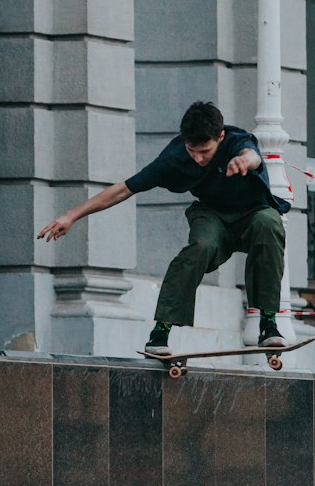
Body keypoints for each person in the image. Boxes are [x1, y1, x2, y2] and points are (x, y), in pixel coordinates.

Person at [37, 100, 289, 355]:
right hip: (212, 214)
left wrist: (245, 162)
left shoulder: (236, 140)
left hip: (253, 213)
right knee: (201, 246)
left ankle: (268, 323)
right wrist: (72, 215)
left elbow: (253, 155)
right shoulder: (175, 157)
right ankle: (161, 331)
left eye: (206, 151)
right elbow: (123, 189)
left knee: (269, 223)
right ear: (184, 140)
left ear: (220, 136)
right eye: (193, 150)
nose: (198, 159)